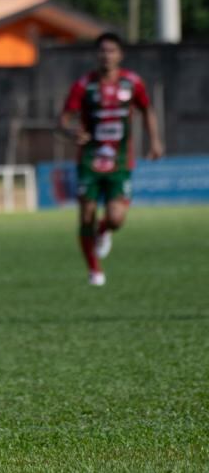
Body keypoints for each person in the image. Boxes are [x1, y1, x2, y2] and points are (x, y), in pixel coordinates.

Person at [57, 32, 162, 286]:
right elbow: (63, 120)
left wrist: (155, 141)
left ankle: (104, 231)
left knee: (116, 218)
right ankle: (94, 270)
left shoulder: (132, 83)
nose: (107, 55)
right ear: (97, 55)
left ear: (120, 54)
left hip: (120, 160)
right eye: (103, 51)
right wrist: (71, 132)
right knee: (86, 215)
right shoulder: (84, 85)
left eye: (112, 51)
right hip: (89, 160)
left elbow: (147, 110)